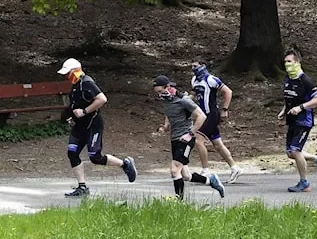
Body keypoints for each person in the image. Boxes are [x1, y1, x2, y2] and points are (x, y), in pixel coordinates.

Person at [57, 58, 137, 197]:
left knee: (95, 156)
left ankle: (125, 164)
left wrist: (85, 111)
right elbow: (74, 105)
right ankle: (82, 187)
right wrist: (69, 117)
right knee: (72, 153)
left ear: (75, 71)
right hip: (79, 127)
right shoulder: (75, 85)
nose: (66, 76)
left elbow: (102, 99)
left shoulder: (87, 82)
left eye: (68, 73)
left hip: (93, 126)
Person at [153, 75, 225, 200]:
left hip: (186, 139)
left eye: (160, 91)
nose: (159, 95)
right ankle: (211, 181)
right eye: (157, 92)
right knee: (185, 175)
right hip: (175, 138)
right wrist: (165, 126)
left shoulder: (184, 100)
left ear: (168, 87)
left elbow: (201, 116)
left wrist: (190, 134)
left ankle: (178, 202)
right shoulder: (166, 100)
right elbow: (168, 112)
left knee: (174, 170)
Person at [278, 49, 317, 192]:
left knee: (295, 150)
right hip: (292, 120)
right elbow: (290, 98)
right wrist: (283, 111)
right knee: (290, 153)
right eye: (285, 62)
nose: (287, 65)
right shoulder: (288, 79)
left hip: (303, 120)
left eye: (290, 62)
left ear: (297, 62)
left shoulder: (305, 80)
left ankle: (304, 183)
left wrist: (301, 108)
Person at [189, 60, 242, 183]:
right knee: (217, 144)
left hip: (211, 114)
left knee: (198, 140)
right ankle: (235, 167)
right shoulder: (194, 80)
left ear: (203, 66)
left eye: (196, 66)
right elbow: (193, 94)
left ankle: (205, 170)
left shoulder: (211, 79)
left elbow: (228, 91)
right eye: (192, 66)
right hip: (202, 115)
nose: (193, 68)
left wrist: (225, 109)